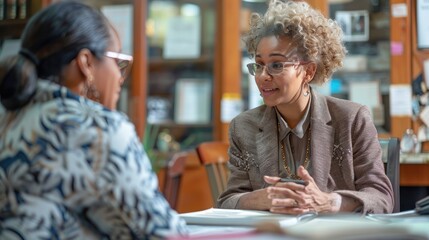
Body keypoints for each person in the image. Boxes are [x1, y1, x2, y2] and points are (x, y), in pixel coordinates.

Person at [0, 2, 187, 239]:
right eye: (117, 61)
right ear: (86, 63)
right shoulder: (99, 130)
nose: (120, 76)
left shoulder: (8, 120)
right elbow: (165, 234)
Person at [217, 0, 394, 215]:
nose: (263, 76)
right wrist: (261, 198)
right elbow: (227, 202)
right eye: (259, 65)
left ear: (308, 71)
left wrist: (329, 202)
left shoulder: (351, 119)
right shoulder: (243, 127)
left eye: (276, 65)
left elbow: (381, 197)